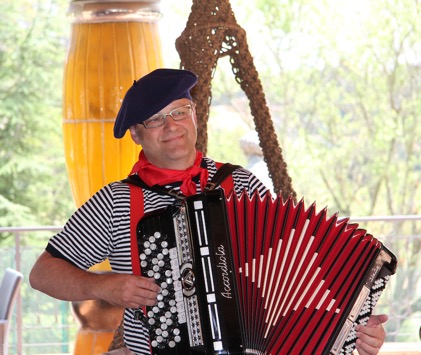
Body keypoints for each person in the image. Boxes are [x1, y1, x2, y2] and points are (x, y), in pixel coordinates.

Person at [30, 68, 388, 355]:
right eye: (155, 120)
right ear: (137, 135)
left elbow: (298, 275)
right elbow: (43, 274)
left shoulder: (242, 185)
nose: (171, 126)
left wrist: (356, 334)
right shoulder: (116, 202)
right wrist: (105, 286)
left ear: (195, 115)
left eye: (179, 112)